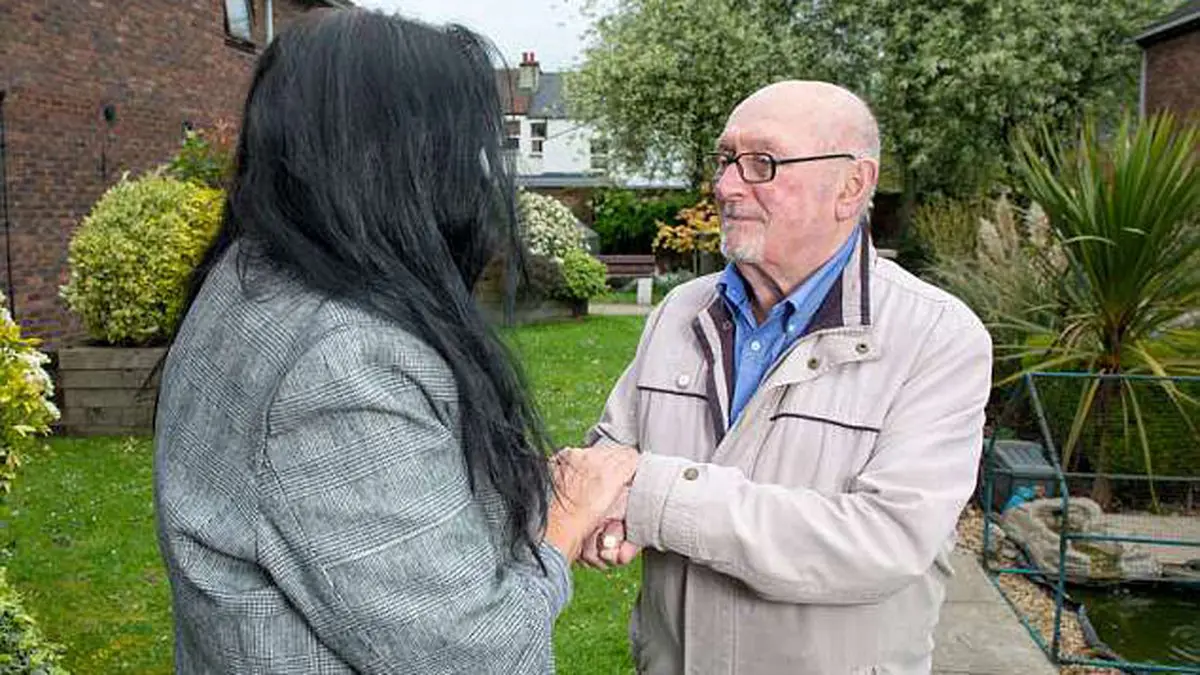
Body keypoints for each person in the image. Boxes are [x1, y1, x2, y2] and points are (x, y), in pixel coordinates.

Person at [152, 9, 636, 674]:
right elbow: (481, 654)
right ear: (404, 160)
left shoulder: (251, 278)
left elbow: (383, 507)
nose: (474, 178)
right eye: (461, 150)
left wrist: (538, 498)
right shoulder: (337, 363)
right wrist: (567, 520)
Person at [581, 81, 994, 674]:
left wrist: (652, 500)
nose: (726, 186)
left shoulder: (936, 337)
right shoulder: (680, 311)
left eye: (762, 164)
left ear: (851, 186)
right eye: (726, 159)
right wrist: (603, 511)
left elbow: (886, 540)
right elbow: (612, 454)